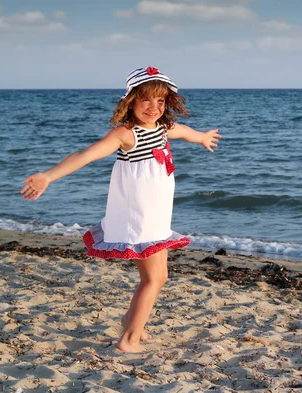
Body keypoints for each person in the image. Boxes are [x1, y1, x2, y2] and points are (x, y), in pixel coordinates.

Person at [20, 66, 221, 353]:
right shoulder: (126, 134)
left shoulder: (163, 128)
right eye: (146, 100)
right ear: (131, 101)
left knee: (156, 276)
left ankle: (131, 320)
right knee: (154, 278)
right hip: (139, 215)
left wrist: (201, 136)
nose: (154, 108)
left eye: (160, 101)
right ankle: (129, 340)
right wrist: (48, 176)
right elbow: (85, 155)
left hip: (156, 212)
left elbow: (183, 131)